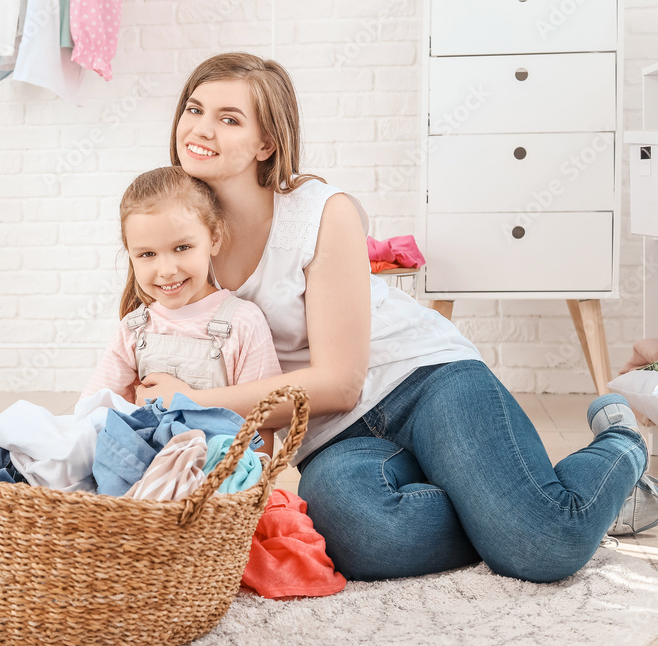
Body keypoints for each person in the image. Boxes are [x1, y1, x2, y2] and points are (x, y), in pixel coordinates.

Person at [135, 52, 652, 582]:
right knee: (362, 537)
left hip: (427, 381)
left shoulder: (319, 211)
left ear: (267, 143)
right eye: (194, 109)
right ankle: (495, 508)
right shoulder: (173, 236)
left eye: (229, 118)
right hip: (336, 435)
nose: (200, 129)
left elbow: (339, 383)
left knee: (544, 547)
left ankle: (621, 443)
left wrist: (192, 401)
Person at [81, 165, 282, 452]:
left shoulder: (242, 322)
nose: (166, 270)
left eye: (182, 248)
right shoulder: (134, 329)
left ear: (214, 238)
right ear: (131, 255)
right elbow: (91, 412)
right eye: (147, 254)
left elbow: (261, 424)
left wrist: (243, 489)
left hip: (218, 477)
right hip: (148, 472)